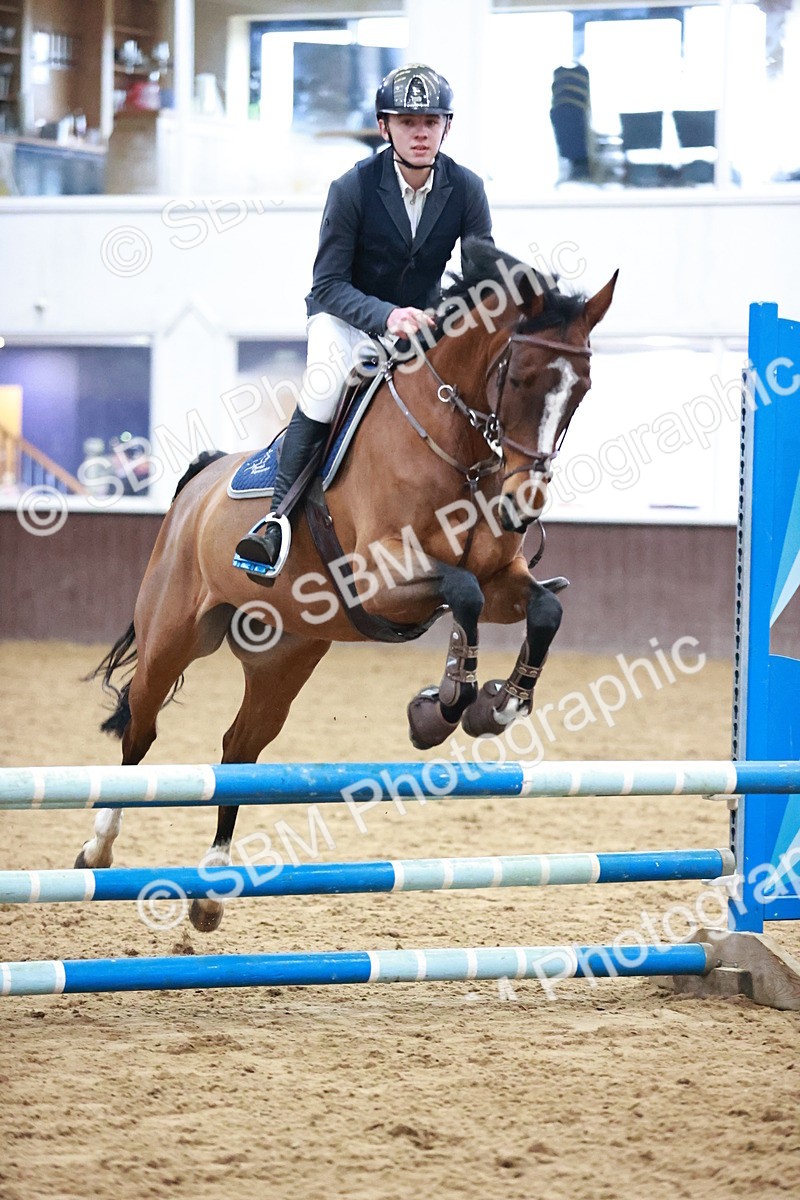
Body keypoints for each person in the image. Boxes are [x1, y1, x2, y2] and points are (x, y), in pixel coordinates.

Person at [235, 62, 493, 581]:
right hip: (345, 318)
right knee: (325, 385)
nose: (420, 133)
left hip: (422, 325)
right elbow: (326, 285)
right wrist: (387, 315)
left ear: (447, 126)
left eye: (430, 122)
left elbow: (481, 277)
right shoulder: (352, 187)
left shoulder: (466, 188)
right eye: (406, 122)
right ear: (384, 127)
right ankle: (276, 520)